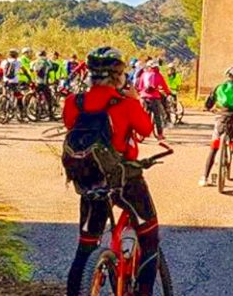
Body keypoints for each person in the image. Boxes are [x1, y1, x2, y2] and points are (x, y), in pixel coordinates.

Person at [62, 46, 161, 296]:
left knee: (85, 248)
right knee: (150, 240)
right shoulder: (126, 103)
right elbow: (146, 129)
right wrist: (135, 100)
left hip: (89, 180)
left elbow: (69, 124)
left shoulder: (74, 102)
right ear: (118, 76)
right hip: (124, 179)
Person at [200, 66, 233, 187]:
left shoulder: (218, 87)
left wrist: (208, 108)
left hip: (221, 118)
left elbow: (209, 103)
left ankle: (205, 178)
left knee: (214, 146)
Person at [136, 60, 171, 139]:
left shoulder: (143, 75)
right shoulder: (158, 75)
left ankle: (142, 134)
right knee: (157, 116)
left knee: (144, 116)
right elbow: (164, 86)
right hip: (154, 98)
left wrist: (141, 93)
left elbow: (140, 87)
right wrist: (167, 92)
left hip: (144, 98)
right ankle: (160, 134)